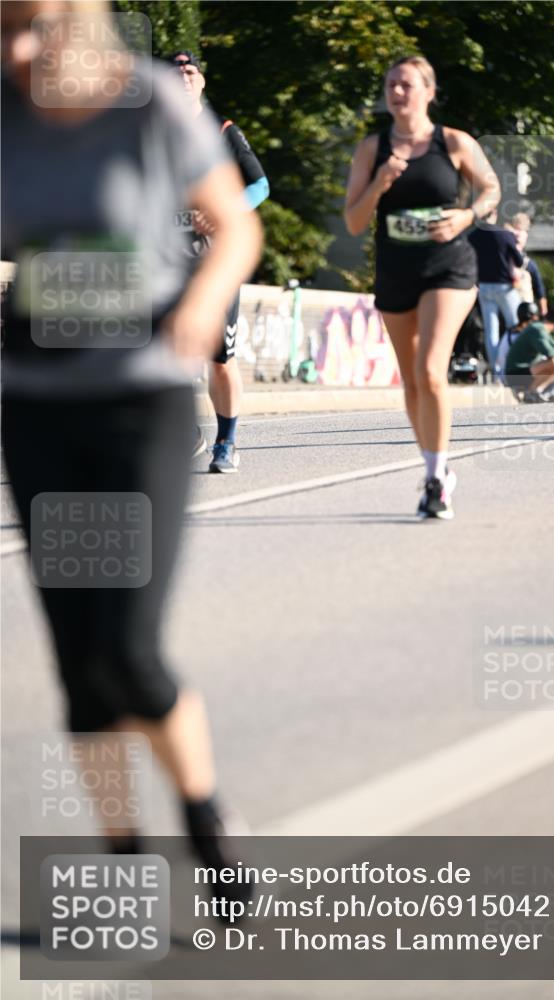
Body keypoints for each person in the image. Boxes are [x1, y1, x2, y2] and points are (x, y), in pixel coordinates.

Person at [1, 0, 262, 877]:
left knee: (127, 650)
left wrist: (194, 306)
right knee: (78, 669)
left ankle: (204, 816)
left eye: (34, 24)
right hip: (37, 407)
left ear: (78, 21)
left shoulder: (148, 103)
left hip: (139, 402)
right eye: (2, 29)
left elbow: (238, 225)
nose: (21, 47)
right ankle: (124, 857)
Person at [344, 55, 499, 519]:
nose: (396, 91)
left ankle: (436, 479)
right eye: (391, 83)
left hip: (448, 268)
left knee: (432, 370)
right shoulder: (372, 149)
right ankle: (435, 466)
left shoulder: (452, 142)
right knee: (412, 382)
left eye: (406, 84)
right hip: (396, 270)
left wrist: (467, 214)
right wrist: (381, 183)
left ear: (429, 92)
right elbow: (353, 222)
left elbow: (491, 189)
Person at [171, 50, 269, 473]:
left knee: (218, 360)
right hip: (165, 259)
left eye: (191, 71)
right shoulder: (150, 129)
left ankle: (226, 442)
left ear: (202, 82)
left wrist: (223, 211)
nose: (184, 77)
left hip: (213, 262)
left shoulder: (223, 130)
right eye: (175, 72)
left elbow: (261, 185)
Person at [468, 208, 524, 371]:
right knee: (514, 326)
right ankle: (514, 365)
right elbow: (519, 261)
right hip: (504, 286)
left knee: (491, 331)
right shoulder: (504, 235)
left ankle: (497, 369)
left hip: (484, 286)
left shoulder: (473, 236)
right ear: (495, 214)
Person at [504, 305, 554, 401]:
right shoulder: (538, 330)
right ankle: (532, 392)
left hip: (523, 372)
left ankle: (536, 391)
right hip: (515, 375)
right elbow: (548, 351)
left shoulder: (541, 329)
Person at [505, 213, 547, 316]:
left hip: (526, 312)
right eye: (515, 230)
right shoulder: (501, 259)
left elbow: (539, 289)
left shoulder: (529, 264)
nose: (517, 234)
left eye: (520, 231)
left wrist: (543, 310)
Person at [495, 299, 540, 385]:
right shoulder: (527, 335)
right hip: (516, 377)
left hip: (504, 375)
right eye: (535, 316)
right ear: (531, 317)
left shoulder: (508, 333)